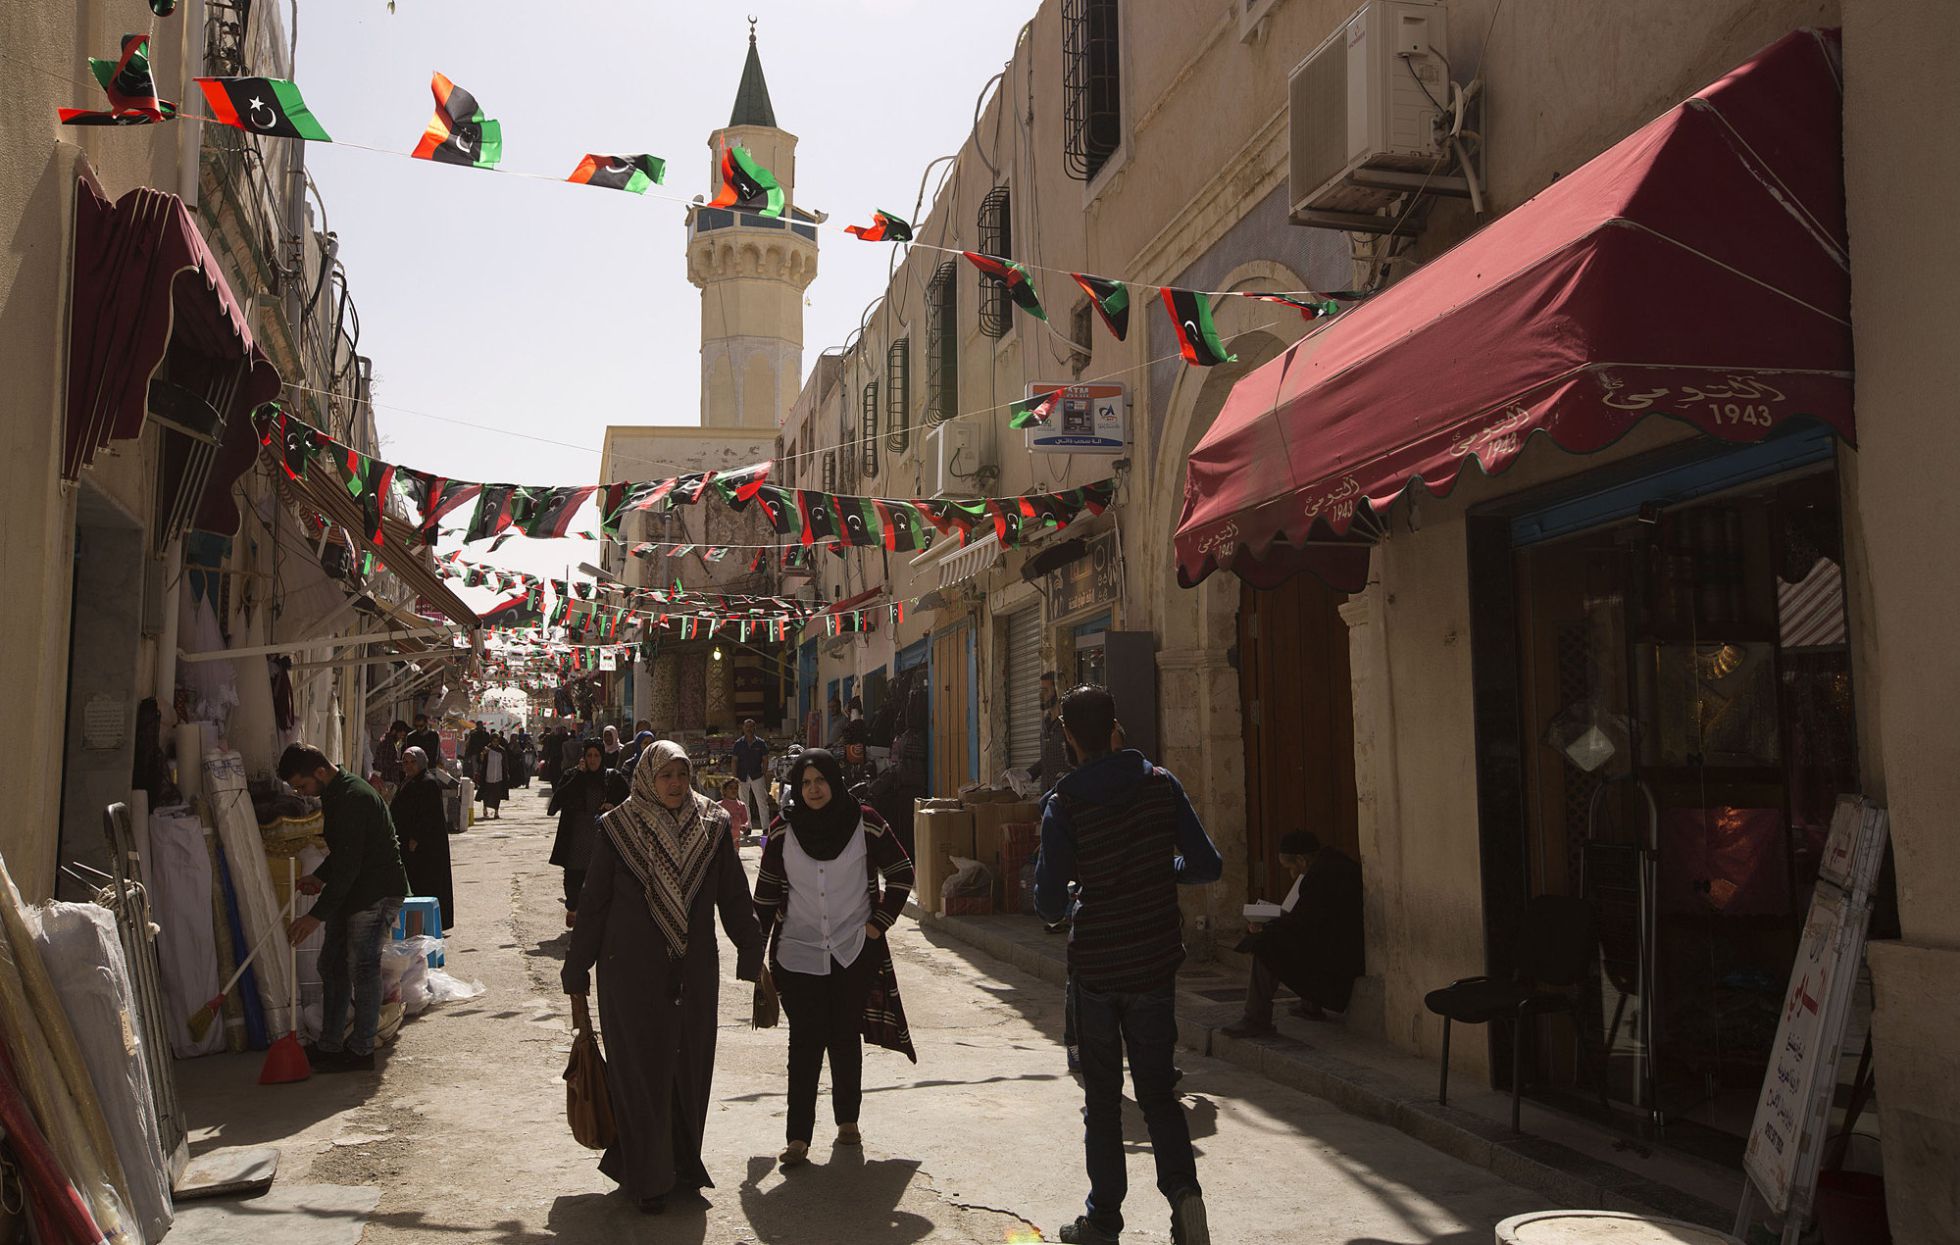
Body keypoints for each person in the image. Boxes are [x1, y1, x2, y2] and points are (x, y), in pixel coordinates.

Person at [1035, 685, 1222, 1245]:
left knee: (1102, 1102)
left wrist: (1075, 895)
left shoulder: (1064, 804)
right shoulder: (1161, 784)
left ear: (1068, 736)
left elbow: (1047, 904)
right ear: (1115, 727)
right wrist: (1164, 870)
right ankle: (1185, 1197)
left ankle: (1103, 1220)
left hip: (1096, 968)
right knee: (1158, 1093)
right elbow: (1206, 864)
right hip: (1153, 963)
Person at [562, 741, 763, 1214]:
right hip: (629, 971)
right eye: (665, 775)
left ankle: (682, 1163)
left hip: (693, 970)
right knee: (640, 1071)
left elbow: (734, 896)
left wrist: (751, 950)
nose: (675, 784)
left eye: (682, 774)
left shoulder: (712, 825)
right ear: (647, 779)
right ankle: (648, 1178)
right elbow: (594, 903)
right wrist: (577, 966)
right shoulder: (618, 828)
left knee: (688, 1068)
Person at [752, 749, 916, 1168]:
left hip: (853, 950)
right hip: (797, 953)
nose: (813, 790)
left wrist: (877, 925)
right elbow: (766, 895)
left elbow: (902, 872)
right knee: (804, 1043)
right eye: (805, 783)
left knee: (844, 1036)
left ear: (834, 781)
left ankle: (847, 1121)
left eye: (820, 780)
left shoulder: (866, 822)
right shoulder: (782, 830)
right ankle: (797, 1137)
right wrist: (755, 955)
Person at [279, 744, 410, 1073]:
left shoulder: (353, 797)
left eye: (302, 786)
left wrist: (315, 916)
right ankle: (330, 1044)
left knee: (362, 968)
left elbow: (350, 865)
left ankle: (362, 1048)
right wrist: (320, 876)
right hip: (354, 890)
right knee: (332, 965)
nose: (302, 793)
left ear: (320, 772)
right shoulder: (335, 794)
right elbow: (343, 854)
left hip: (375, 892)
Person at [1223, 832, 1364, 1037]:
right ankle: (1310, 1004)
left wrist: (1265, 928)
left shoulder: (1320, 876)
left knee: (1265, 945)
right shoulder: (1333, 866)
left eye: (1291, 868)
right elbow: (1313, 920)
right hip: (1341, 948)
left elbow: (1307, 924)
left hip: (1339, 960)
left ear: (1301, 860)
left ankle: (1255, 1018)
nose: (1292, 875)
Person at [549, 740, 628, 927]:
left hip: (603, 837)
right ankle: (573, 908)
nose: (593, 760)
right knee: (574, 877)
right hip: (577, 837)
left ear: (602, 757)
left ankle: (595, 918)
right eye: (589, 755)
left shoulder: (612, 778)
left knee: (601, 877)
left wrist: (613, 806)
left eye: (596, 756)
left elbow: (629, 802)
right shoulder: (572, 775)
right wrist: (578, 775)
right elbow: (557, 802)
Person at [391, 746, 455, 930]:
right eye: (405, 762)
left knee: (427, 882)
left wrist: (416, 838)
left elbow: (429, 815)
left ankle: (428, 924)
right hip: (410, 842)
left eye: (413, 762)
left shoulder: (428, 782)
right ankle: (417, 923)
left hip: (424, 846)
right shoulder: (409, 781)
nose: (409, 766)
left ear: (421, 762)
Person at [731, 718, 772, 827]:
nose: (749, 729)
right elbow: (734, 760)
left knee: (762, 802)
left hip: (757, 775)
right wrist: (734, 776)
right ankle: (747, 827)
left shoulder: (760, 743)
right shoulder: (738, 744)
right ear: (743, 728)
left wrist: (763, 772)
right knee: (744, 803)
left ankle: (765, 828)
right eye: (747, 727)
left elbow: (765, 759)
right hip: (742, 776)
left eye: (751, 726)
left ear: (755, 728)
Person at [1038, 673, 1071, 795]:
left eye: (1045, 690)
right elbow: (1047, 759)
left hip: (1065, 793)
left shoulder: (1068, 722)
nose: (1041, 695)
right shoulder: (1045, 723)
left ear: (1058, 691)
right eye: (1040, 690)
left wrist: (1068, 774)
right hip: (1046, 794)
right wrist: (1028, 774)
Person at [476, 732, 510, 819]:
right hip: (488, 775)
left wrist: (506, 773)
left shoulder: (502, 751)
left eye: (497, 741)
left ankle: (496, 812)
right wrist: (483, 754)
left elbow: (505, 763)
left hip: (498, 776)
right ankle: (485, 808)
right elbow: (480, 761)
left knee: (497, 795)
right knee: (486, 793)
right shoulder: (487, 750)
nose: (495, 743)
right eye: (494, 741)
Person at [373, 721, 408, 797]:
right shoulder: (388, 743)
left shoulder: (390, 742)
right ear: (394, 731)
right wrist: (403, 765)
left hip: (387, 780)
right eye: (401, 735)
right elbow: (387, 763)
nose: (401, 738)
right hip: (388, 780)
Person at [718, 778, 750, 844]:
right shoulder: (719, 805)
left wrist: (744, 826)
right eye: (731, 788)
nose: (734, 790)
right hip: (722, 838)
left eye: (736, 788)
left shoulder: (741, 805)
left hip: (736, 838)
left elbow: (745, 820)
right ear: (724, 790)